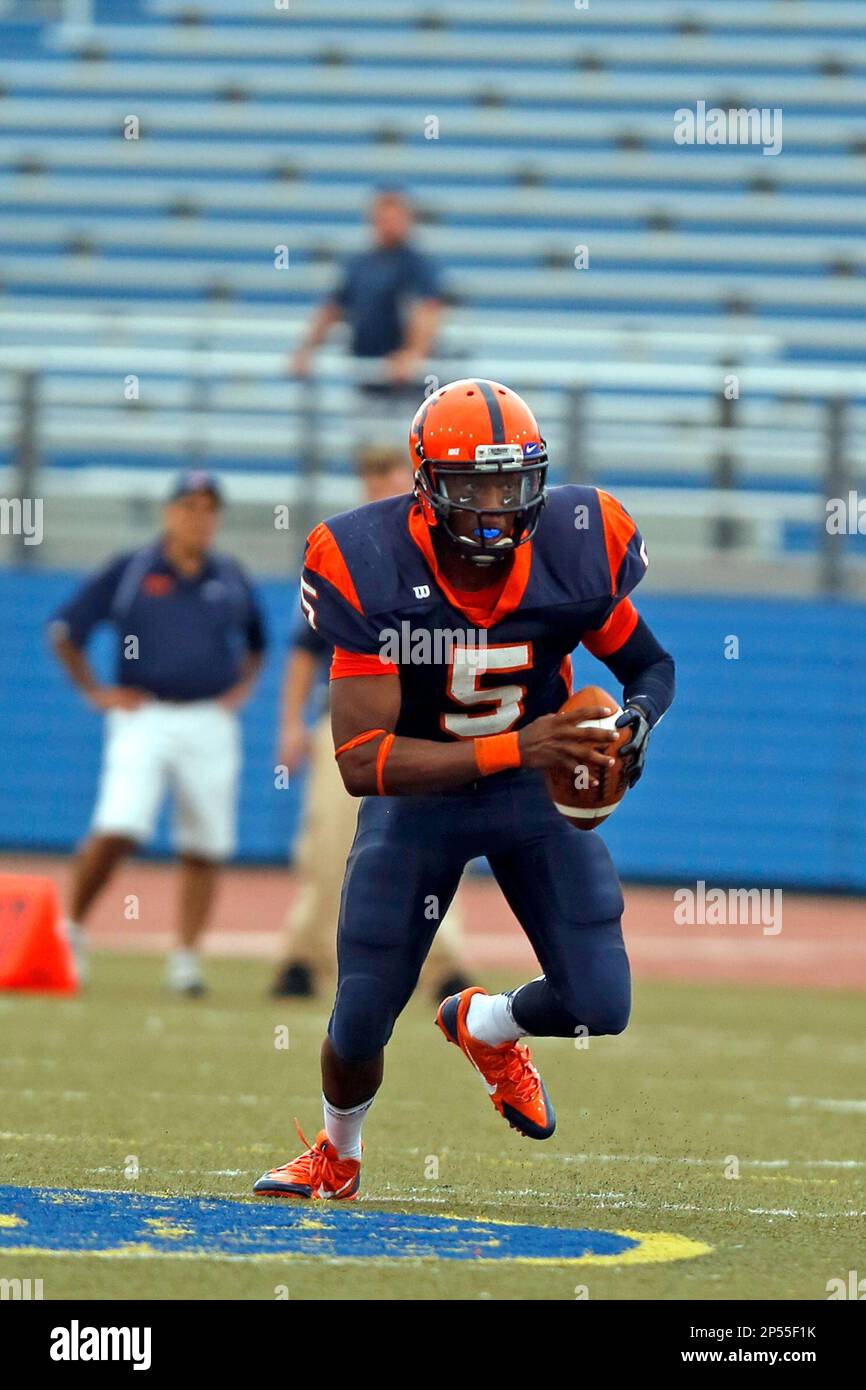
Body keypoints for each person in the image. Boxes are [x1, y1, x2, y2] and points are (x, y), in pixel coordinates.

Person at [253, 380, 674, 1201]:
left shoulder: (576, 549)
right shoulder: (366, 560)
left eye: (510, 484)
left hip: (531, 792)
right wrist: (519, 745)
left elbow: (649, 665)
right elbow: (362, 759)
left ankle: (486, 1025)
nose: (495, 506)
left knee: (600, 1000)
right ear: (426, 483)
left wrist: (636, 722)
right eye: (472, 486)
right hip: (420, 794)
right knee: (365, 1009)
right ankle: (338, 1155)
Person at [48, 470, 266, 995]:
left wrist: (239, 692)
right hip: (143, 715)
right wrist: (96, 693)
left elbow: (257, 644)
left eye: (209, 509)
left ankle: (186, 959)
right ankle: (70, 931)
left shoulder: (230, 575)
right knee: (120, 824)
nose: (200, 518)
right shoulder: (132, 569)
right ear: (169, 513)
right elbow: (66, 632)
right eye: (190, 507)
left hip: (208, 719)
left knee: (206, 843)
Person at [271, 445, 471, 1003]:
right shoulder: (346, 552)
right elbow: (304, 651)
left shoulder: (445, 551)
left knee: (437, 842)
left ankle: (442, 963)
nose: (381, 484)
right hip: (349, 720)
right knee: (329, 843)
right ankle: (304, 957)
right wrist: (291, 723)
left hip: (426, 720)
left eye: (390, 473)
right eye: (372, 474)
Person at [290, 186, 444, 449]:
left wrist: (412, 354)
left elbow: (427, 310)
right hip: (366, 379)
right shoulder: (360, 264)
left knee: (403, 458)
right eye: (382, 217)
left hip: (405, 387)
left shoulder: (416, 264)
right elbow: (333, 309)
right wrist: (306, 350)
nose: (388, 224)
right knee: (368, 456)